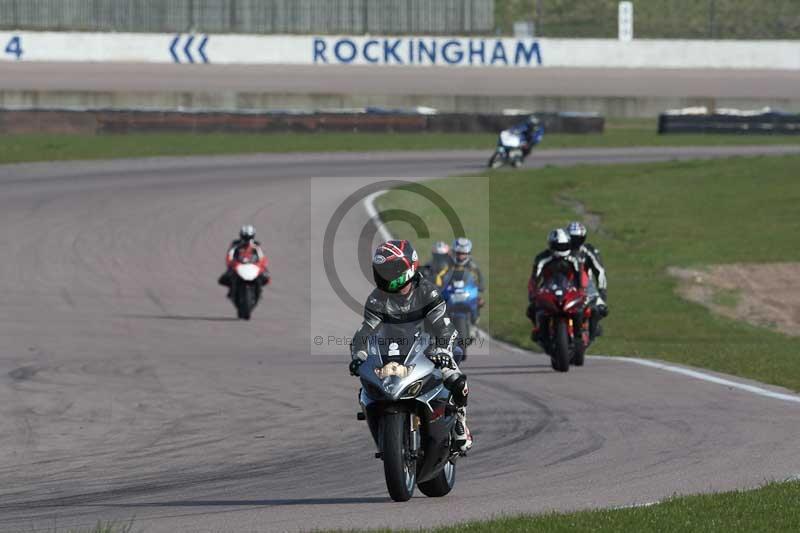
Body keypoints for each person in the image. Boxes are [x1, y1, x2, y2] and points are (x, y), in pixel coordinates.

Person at [349, 240, 472, 452]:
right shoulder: (377, 299)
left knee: (455, 378)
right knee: (367, 383)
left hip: (430, 345)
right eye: (382, 270)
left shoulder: (428, 293)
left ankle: (460, 420)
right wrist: (358, 355)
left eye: (391, 269)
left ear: (408, 268)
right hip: (394, 348)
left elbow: (444, 328)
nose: (386, 275)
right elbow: (365, 331)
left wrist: (442, 351)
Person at [526, 228, 583, 342]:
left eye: (564, 245)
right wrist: (533, 293)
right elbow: (535, 278)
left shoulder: (575, 259)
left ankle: (579, 332)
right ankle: (538, 329)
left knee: (581, 308)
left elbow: (580, 277)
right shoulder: (542, 258)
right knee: (532, 308)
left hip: (569, 288)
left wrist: (581, 290)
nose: (561, 249)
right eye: (558, 246)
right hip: (548, 288)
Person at [566, 221, 608, 339]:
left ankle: (592, 331)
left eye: (577, 238)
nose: (575, 242)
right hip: (565, 287)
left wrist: (602, 290)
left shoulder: (588, 251)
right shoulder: (561, 252)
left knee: (599, 309)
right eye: (572, 238)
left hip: (586, 287)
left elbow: (599, 271)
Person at [435, 237, 485, 315]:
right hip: (450, 292)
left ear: (468, 254)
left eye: (463, 254)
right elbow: (439, 276)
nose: (461, 256)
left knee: (480, 302)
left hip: (466, 293)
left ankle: (474, 317)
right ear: (454, 252)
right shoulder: (447, 265)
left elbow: (479, 278)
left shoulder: (472, 267)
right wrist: (438, 286)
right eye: (459, 253)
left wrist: (480, 286)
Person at [217, 225, 270, 298]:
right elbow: (230, 254)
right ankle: (232, 290)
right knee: (224, 278)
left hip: (253, 265)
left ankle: (259, 291)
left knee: (266, 276)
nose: (247, 239)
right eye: (245, 237)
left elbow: (262, 257)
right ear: (241, 236)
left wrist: (261, 264)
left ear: (252, 236)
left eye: (249, 237)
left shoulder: (256, 245)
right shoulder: (235, 244)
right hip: (238, 264)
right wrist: (230, 262)